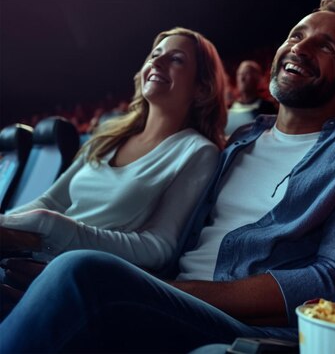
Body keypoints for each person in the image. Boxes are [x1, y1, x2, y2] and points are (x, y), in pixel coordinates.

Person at [0, 0, 335, 352]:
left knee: (80, 271)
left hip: (234, 324)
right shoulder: (241, 139)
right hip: (164, 293)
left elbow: (332, 281)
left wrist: (163, 290)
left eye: (325, 47)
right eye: (297, 34)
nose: (300, 48)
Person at [0, 27, 227, 270]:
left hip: (80, 275)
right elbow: (50, 202)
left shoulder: (198, 152)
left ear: (202, 88)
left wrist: (55, 230)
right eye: (154, 55)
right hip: (33, 258)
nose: (157, 62)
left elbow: (159, 247)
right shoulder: (109, 135)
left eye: (176, 59)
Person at [224, 60, 278, 136]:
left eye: (246, 73)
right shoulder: (228, 107)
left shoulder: (268, 108)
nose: (242, 78)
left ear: (257, 78)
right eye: (239, 74)